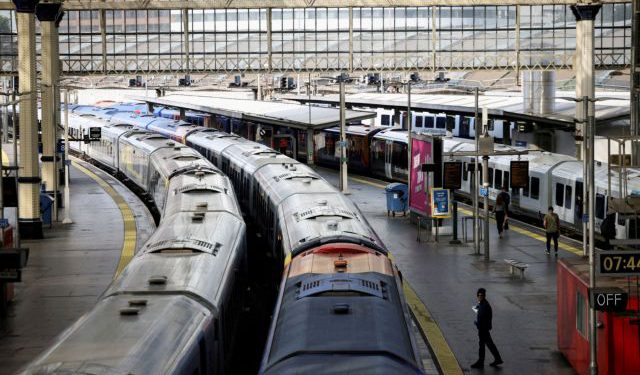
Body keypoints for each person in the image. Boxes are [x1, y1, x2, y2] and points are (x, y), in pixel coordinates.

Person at [471, 288, 503, 369]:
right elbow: (479, 310)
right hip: (483, 328)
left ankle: (481, 362)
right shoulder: (482, 304)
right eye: (478, 295)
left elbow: (482, 317)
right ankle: (498, 359)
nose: (480, 296)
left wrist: (477, 323)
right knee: (489, 344)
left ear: (484, 296)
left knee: (482, 345)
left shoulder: (485, 305)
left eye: (481, 295)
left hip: (483, 329)